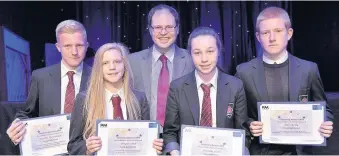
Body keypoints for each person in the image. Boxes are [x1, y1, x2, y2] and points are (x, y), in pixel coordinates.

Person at [235, 6, 333, 155]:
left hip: (299, 151)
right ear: (258, 36)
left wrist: (325, 122)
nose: (272, 38)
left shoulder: (309, 69)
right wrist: (250, 125)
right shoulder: (243, 72)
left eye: (278, 31)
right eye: (266, 32)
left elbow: (324, 108)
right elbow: (239, 116)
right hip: (261, 152)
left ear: (289, 33)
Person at [163, 27, 249, 155]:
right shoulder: (177, 87)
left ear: (218, 51)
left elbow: (243, 132)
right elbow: (170, 132)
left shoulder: (235, 86)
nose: (204, 59)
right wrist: (175, 151)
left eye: (210, 51)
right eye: (197, 53)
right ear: (190, 54)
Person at [5, 19, 91, 149]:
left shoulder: (98, 77)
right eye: (67, 46)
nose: (74, 52)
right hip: (50, 149)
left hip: (86, 150)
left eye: (79, 45)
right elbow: (28, 112)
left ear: (86, 46)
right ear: (58, 47)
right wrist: (18, 125)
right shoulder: (40, 77)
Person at [67, 43, 163, 155]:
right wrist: (87, 148)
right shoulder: (84, 99)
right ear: (99, 68)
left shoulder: (139, 98)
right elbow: (73, 146)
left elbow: (146, 139)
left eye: (117, 62)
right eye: (105, 63)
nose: (112, 67)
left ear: (125, 65)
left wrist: (154, 146)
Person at [128, 4, 194, 128]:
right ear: (150, 29)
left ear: (178, 29)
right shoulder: (132, 62)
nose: (163, 32)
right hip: (142, 137)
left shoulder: (191, 60)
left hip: (181, 138)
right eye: (158, 27)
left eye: (169, 27)